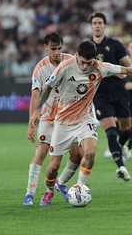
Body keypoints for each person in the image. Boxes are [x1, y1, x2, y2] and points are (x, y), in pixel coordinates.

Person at [29, 40, 132, 206]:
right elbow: (48, 87)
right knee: (53, 168)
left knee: (90, 154)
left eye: (89, 63)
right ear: (77, 56)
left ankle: (79, 186)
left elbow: (128, 69)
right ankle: (49, 190)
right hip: (63, 122)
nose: (86, 67)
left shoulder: (100, 66)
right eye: (83, 63)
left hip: (85, 119)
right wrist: (37, 110)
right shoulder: (65, 66)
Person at [23, 32, 83, 206]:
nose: (57, 52)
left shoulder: (72, 61)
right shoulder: (40, 68)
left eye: (59, 48)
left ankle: (60, 183)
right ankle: (30, 193)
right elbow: (35, 95)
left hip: (68, 117)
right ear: (46, 47)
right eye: (53, 49)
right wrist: (32, 119)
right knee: (41, 152)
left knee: (77, 155)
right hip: (49, 117)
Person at [88, 12, 132, 178]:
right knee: (111, 132)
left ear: (105, 26)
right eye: (94, 23)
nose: (97, 25)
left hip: (118, 91)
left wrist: (123, 72)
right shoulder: (87, 47)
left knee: (127, 130)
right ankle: (121, 167)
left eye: (100, 22)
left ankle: (122, 146)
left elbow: (128, 65)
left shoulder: (115, 44)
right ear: (91, 26)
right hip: (99, 93)